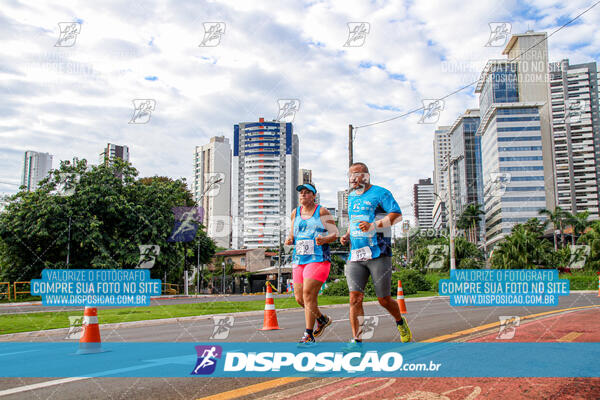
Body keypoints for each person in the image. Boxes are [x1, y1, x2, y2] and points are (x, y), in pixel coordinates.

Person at [340, 162, 412, 348]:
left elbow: (397, 216)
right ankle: (357, 340)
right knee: (355, 298)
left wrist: (374, 226)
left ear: (366, 176)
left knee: (383, 299)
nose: (352, 179)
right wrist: (347, 235)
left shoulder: (381, 193)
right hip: (356, 255)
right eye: (350, 175)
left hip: (379, 253)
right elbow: (354, 220)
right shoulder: (351, 197)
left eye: (356, 174)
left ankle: (400, 322)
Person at [285, 183, 339, 345]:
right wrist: (289, 239)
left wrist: (324, 239)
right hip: (299, 258)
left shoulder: (321, 211)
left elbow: (335, 234)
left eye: (307, 193)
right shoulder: (295, 212)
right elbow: (293, 233)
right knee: (299, 298)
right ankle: (321, 319)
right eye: (301, 193)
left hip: (318, 258)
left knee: (308, 295)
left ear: (314, 196)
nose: (303, 195)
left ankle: (308, 334)